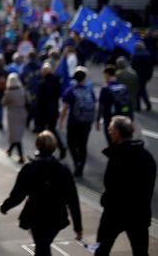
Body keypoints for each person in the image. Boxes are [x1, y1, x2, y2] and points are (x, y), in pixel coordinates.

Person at [0, 131, 83, 256]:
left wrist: (5, 206)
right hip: (56, 215)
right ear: (54, 147)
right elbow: (72, 199)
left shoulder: (29, 168)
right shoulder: (62, 169)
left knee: (41, 245)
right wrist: (78, 226)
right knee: (43, 245)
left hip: (35, 215)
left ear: (37, 145)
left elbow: (18, 195)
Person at [94, 116, 156, 256]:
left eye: (110, 129)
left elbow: (110, 185)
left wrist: (105, 201)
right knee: (140, 251)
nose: (108, 132)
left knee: (101, 249)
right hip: (139, 214)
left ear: (117, 133)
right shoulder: (147, 157)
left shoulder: (117, 157)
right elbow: (149, 187)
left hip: (115, 214)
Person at [59, 67, 96, 177]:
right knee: (82, 145)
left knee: (71, 143)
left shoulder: (71, 90)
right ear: (84, 78)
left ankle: (77, 162)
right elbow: (94, 104)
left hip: (74, 122)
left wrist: (61, 121)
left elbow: (65, 108)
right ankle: (81, 166)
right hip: (86, 123)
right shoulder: (89, 90)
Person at [34, 62, 65, 158]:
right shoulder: (56, 81)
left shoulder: (42, 84)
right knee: (52, 131)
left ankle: (41, 149)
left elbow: (39, 101)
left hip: (43, 112)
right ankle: (62, 148)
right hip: (53, 111)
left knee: (41, 133)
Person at [97, 65, 133, 145]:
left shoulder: (105, 88)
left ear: (107, 74)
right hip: (124, 116)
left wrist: (98, 120)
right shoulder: (123, 87)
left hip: (110, 118)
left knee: (112, 141)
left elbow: (101, 105)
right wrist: (131, 119)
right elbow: (130, 103)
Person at [1, 73, 27, 164]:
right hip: (22, 113)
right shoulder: (22, 90)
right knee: (17, 135)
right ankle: (10, 150)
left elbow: (3, 102)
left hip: (12, 114)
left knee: (15, 136)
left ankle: (21, 156)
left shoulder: (9, 92)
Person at [131, 41, 153, 111]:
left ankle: (138, 106)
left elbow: (133, 66)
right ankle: (147, 103)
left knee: (137, 91)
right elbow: (151, 67)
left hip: (138, 75)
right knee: (143, 89)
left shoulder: (136, 55)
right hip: (145, 75)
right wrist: (149, 76)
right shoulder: (148, 54)